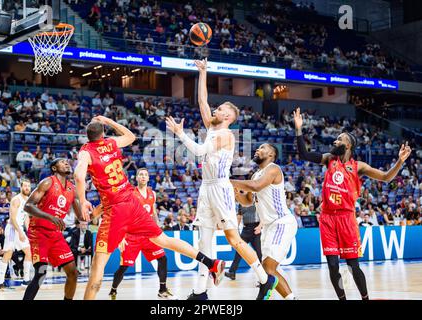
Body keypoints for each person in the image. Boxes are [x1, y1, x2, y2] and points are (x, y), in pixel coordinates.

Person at [74, 115, 225, 300]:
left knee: (97, 270)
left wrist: (82, 201)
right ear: (103, 133)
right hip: (132, 204)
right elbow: (130, 136)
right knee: (164, 240)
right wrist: (110, 121)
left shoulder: (86, 151)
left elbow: (79, 176)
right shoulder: (111, 142)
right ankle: (211, 263)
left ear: (87, 136)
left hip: (116, 211)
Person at [166, 58, 274, 300]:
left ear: (228, 116)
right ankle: (200, 291)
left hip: (221, 189)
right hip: (206, 188)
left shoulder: (225, 134)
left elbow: (199, 152)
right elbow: (202, 101)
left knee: (233, 240)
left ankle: (265, 279)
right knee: (203, 241)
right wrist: (203, 72)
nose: (215, 110)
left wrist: (180, 133)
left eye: (221, 109)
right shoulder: (213, 128)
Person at [293, 107, 412, 300]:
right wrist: (298, 129)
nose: (335, 141)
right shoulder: (329, 159)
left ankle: (365, 298)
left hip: (346, 219)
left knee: (353, 265)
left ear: (348, 145)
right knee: (332, 265)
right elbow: (305, 155)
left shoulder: (359, 167)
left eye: (339, 139)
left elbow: (386, 177)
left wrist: (399, 161)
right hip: (328, 219)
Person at [231, 143, 298, 300]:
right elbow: (247, 201)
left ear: (271, 155)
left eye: (262, 148)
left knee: (268, 268)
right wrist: (235, 193)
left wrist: (229, 182)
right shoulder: (255, 175)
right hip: (268, 227)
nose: (257, 150)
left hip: (281, 222)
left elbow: (256, 187)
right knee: (269, 271)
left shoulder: (273, 169)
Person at [103, 168, 177, 300]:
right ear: (136, 178)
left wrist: (158, 229)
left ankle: (162, 289)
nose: (143, 177)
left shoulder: (152, 194)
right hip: (132, 234)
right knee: (124, 266)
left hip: (149, 234)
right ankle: (113, 290)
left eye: (145, 175)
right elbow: (122, 216)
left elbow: (153, 213)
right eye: (140, 174)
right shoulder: (130, 193)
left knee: (162, 258)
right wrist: (121, 237)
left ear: (149, 178)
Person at [22, 158, 87, 300]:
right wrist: (50, 217)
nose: (66, 163)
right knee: (41, 272)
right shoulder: (47, 182)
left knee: (73, 273)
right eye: (62, 162)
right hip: (39, 232)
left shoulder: (72, 189)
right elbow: (28, 206)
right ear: (54, 168)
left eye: (67, 161)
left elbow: (82, 217)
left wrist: (102, 209)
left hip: (55, 235)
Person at [0, 178, 33, 291]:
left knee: (29, 252)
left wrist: (28, 231)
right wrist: (20, 232)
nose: (27, 188)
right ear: (21, 187)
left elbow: (26, 217)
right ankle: (0, 282)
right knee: (8, 254)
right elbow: (12, 219)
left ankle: (26, 280)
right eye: (25, 186)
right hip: (13, 229)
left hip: (20, 229)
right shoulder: (16, 199)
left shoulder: (28, 200)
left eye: (29, 186)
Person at [224, 204, 262, 281]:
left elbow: (263, 214)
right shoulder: (241, 203)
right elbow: (239, 216)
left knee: (259, 253)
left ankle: (263, 274)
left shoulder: (256, 199)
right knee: (239, 250)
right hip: (245, 229)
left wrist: (260, 227)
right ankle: (232, 272)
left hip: (255, 228)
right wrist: (235, 228)